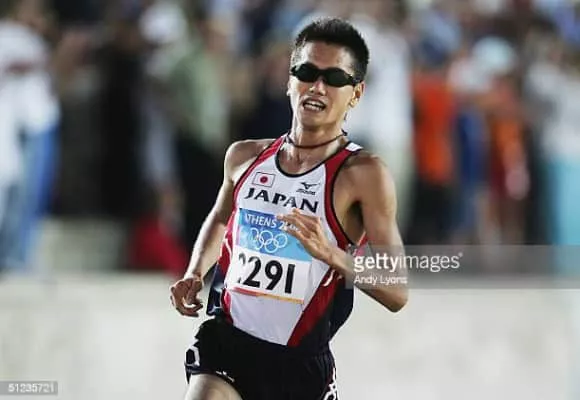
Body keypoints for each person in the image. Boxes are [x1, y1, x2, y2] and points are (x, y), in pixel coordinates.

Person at [170, 17, 408, 400]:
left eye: (334, 78)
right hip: (226, 343)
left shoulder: (363, 174)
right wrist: (195, 272)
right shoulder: (244, 157)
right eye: (307, 72)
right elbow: (221, 218)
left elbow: (396, 290)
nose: (317, 87)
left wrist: (331, 254)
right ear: (289, 80)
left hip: (298, 367)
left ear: (356, 93)